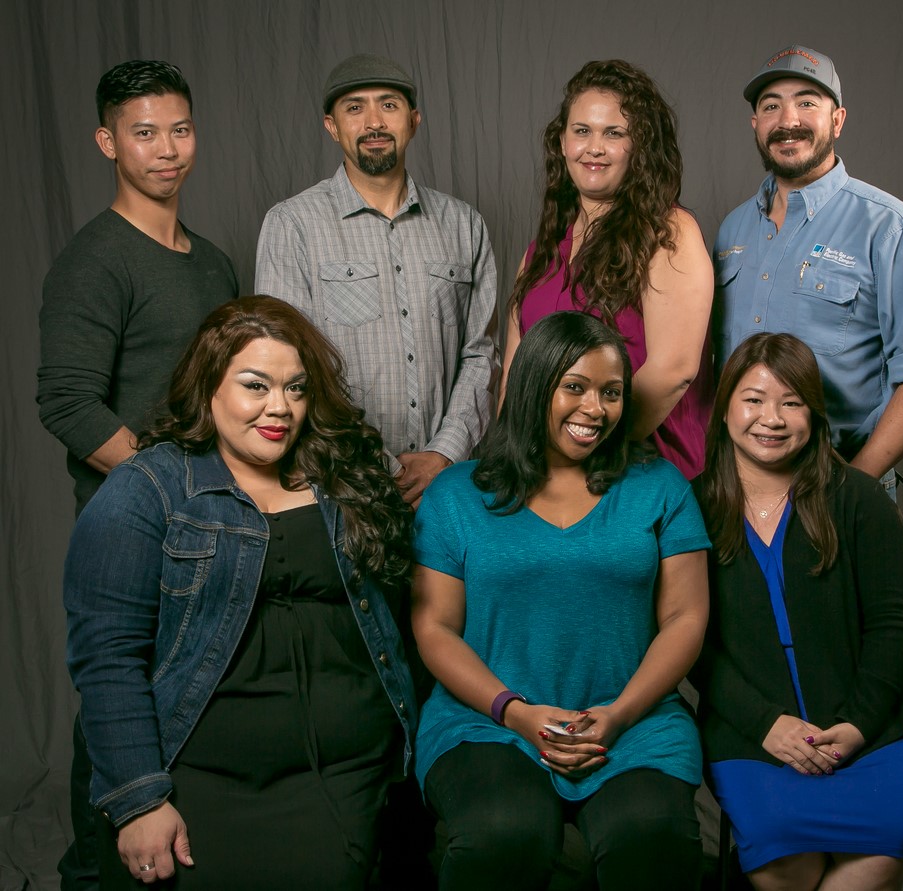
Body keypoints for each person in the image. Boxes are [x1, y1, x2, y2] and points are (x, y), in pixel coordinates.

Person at [63, 296, 418, 890]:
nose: (280, 407)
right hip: (201, 771)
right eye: (256, 386)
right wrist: (139, 800)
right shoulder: (149, 488)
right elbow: (106, 658)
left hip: (346, 770)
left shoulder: (340, 479)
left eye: (296, 389)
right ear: (208, 388)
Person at [412, 311, 710, 889]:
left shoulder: (660, 487)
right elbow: (434, 629)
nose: (595, 409)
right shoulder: (457, 494)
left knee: (652, 838)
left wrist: (618, 716)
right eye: (574, 387)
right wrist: (516, 713)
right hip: (487, 721)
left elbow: (686, 616)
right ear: (533, 387)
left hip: (633, 722)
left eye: (612, 392)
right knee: (506, 832)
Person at [36, 60, 238, 891]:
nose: (166, 149)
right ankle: (89, 870)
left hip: (216, 525)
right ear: (107, 141)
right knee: (120, 706)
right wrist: (167, 492)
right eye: (144, 132)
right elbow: (68, 403)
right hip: (131, 525)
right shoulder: (96, 260)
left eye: (179, 129)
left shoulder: (215, 263)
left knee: (188, 707)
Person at [694, 332, 903, 890]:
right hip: (754, 739)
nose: (771, 418)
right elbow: (691, 644)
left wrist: (856, 726)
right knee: (788, 873)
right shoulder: (692, 508)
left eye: (791, 402)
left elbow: (894, 627)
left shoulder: (860, 499)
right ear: (725, 405)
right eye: (753, 399)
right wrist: (765, 726)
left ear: (814, 413)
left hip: (874, 735)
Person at [255, 53, 498, 508]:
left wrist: (442, 454)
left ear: (414, 120)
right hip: (338, 485)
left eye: (388, 105)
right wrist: (379, 464)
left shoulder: (465, 225)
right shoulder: (293, 225)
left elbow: (481, 355)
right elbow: (284, 367)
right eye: (354, 108)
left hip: (446, 489)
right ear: (331, 126)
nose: (373, 122)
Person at [713, 45, 903, 496]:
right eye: (771, 106)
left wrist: (853, 491)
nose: (788, 120)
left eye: (807, 101)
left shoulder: (891, 228)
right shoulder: (732, 230)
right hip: (735, 488)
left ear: (838, 120)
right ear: (756, 125)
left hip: (838, 485)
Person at [504, 59, 714, 481]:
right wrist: (511, 459)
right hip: (541, 477)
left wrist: (585, 457)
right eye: (582, 131)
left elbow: (674, 369)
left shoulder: (669, 232)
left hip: (635, 470)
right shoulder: (540, 253)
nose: (594, 147)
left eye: (614, 133)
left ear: (639, 147)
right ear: (562, 142)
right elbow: (514, 376)